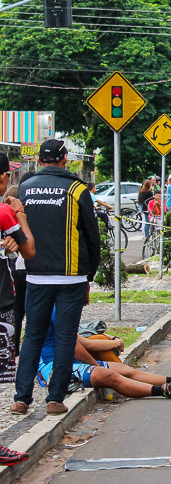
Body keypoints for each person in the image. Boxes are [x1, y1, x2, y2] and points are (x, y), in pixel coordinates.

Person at [13, 139, 101, 417]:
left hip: (36, 275)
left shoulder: (25, 189)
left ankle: (21, 398)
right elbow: (92, 238)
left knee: (33, 337)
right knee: (64, 338)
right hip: (71, 277)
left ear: (39, 161)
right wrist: (90, 276)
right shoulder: (77, 189)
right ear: (65, 160)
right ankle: (55, 398)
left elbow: (17, 231)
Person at [35, 316, 171, 400]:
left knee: (123, 369)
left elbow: (86, 343)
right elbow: (73, 347)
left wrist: (113, 339)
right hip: (53, 366)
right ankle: (161, 390)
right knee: (106, 375)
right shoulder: (56, 309)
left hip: (71, 361)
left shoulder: (62, 306)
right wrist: (96, 365)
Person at [0, 158, 35, 383]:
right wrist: (20, 213)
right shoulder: (4, 212)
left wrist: (9, 245)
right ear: (3, 176)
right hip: (2, 301)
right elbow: (29, 250)